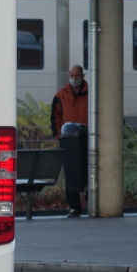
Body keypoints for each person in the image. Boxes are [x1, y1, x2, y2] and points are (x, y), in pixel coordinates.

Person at [51, 64, 89, 217]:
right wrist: (59, 136)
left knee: (90, 171)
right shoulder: (61, 95)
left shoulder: (91, 94)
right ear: (69, 75)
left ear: (83, 76)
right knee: (71, 173)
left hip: (87, 137)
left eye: (77, 76)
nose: (74, 79)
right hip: (69, 140)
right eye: (72, 76)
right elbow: (55, 118)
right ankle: (74, 206)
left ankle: (89, 200)